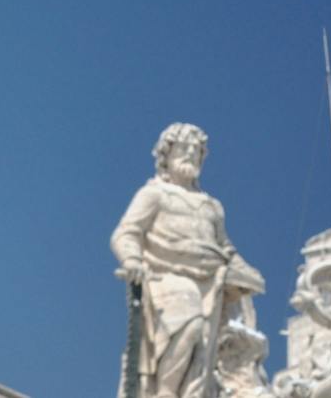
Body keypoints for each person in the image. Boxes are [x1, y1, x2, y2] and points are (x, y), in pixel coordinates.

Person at [112, 123, 265, 398]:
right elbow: (126, 233)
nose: (191, 155)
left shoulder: (212, 206)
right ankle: (165, 393)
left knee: (201, 352)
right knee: (188, 319)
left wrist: (246, 273)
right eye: (184, 149)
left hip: (211, 283)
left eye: (197, 151)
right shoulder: (154, 194)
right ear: (166, 155)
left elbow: (226, 248)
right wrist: (132, 259)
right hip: (166, 275)